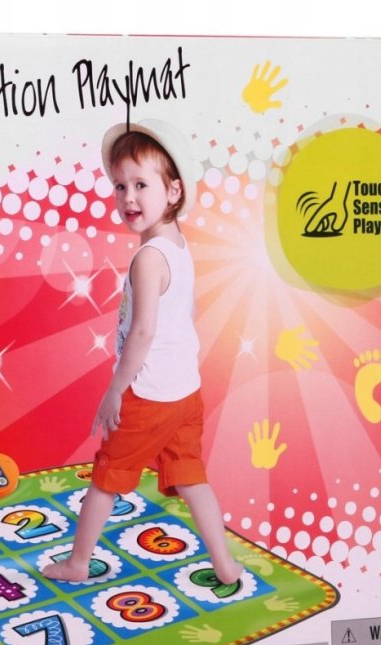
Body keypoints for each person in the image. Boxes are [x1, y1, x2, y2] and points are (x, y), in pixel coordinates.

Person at [42, 119, 242, 585]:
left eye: (141, 185)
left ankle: (77, 562)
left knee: (106, 477)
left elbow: (144, 331)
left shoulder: (148, 259)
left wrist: (115, 389)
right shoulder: (177, 246)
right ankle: (225, 563)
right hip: (185, 392)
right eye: (120, 186)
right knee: (192, 477)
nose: (128, 197)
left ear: (173, 191)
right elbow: (183, 313)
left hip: (147, 394)